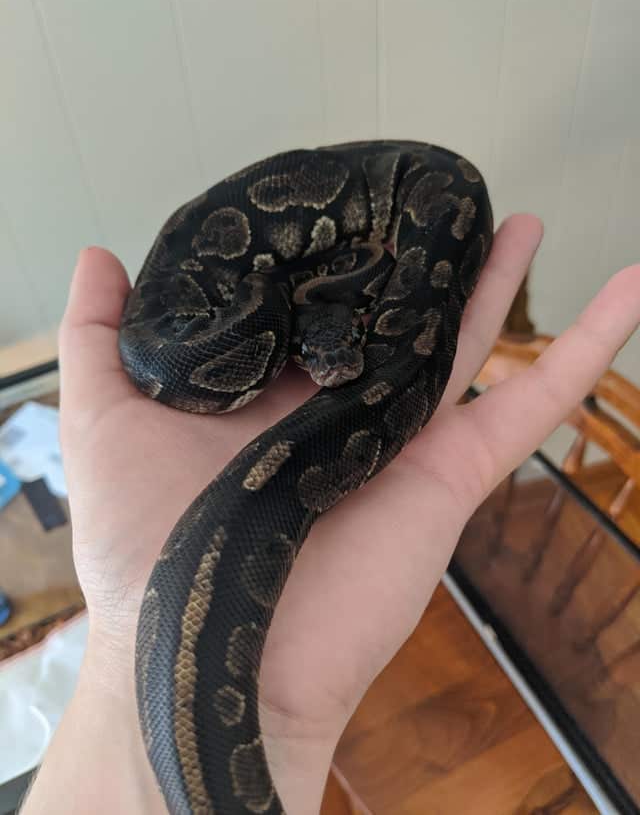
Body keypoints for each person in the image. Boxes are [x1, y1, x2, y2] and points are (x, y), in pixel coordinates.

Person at [21, 215, 640, 815]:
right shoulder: (275, 309)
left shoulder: (321, 301)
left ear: (361, 320)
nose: (337, 370)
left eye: (345, 347)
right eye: (318, 355)